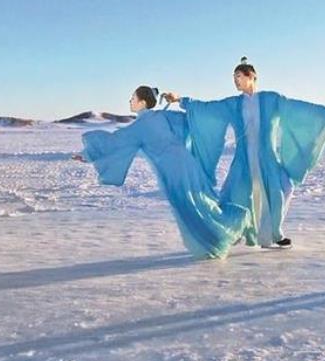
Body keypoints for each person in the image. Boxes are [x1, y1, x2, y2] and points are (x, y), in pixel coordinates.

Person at [164, 57, 325, 248]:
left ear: (252, 76)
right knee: (233, 196)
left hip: (268, 159)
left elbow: (295, 108)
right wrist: (181, 100)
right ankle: (230, 232)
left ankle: (275, 233)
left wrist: (322, 114)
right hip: (243, 160)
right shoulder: (233, 104)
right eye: (234, 77)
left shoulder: (271, 99)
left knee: (282, 189)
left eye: (238, 76)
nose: (235, 81)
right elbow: (207, 108)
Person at [73, 85, 250, 259]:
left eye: (133, 98)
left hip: (172, 169)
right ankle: (219, 235)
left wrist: (88, 154)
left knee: (189, 206)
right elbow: (192, 121)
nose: (130, 101)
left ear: (142, 102)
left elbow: (114, 142)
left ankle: (224, 231)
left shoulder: (141, 125)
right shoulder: (163, 116)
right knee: (198, 201)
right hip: (187, 162)